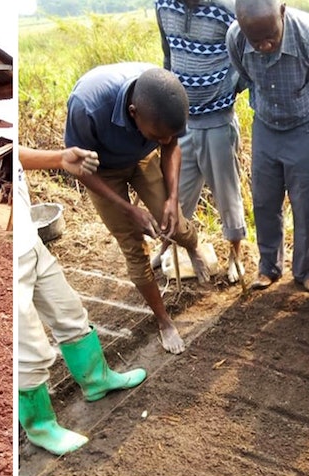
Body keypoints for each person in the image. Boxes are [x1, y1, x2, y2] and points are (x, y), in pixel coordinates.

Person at [65, 64, 213, 354]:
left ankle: (192, 246)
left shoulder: (166, 96)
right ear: (133, 112)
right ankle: (164, 322)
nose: (164, 140)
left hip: (142, 158)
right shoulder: (87, 106)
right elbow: (77, 169)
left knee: (173, 222)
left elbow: (170, 145)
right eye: (157, 134)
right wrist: (128, 209)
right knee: (133, 246)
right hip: (100, 169)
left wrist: (172, 198)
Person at [17, 145, 146, 456]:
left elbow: (16, 154)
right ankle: (40, 426)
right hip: (14, 257)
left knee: (70, 312)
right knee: (29, 350)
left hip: (30, 241)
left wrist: (60, 159)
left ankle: (96, 379)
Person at [228, 0, 309, 294]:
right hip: (265, 127)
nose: (265, 45)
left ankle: (306, 270)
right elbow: (245, 75)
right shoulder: (235, 38)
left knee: (307, 204)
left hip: (306, 128)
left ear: (282, 11)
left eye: (271, 36)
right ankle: (269, 267)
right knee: (264, 201)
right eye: (256, 40)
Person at [155, 0, 247, 284]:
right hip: (180, 122)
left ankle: (236, 255)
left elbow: (245, 61)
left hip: (218, 120)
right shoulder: (163, 5)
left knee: (227, 195)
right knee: (176, 192)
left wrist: (227, 92)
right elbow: (168, 53)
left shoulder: (228, 10)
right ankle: (166, 246)